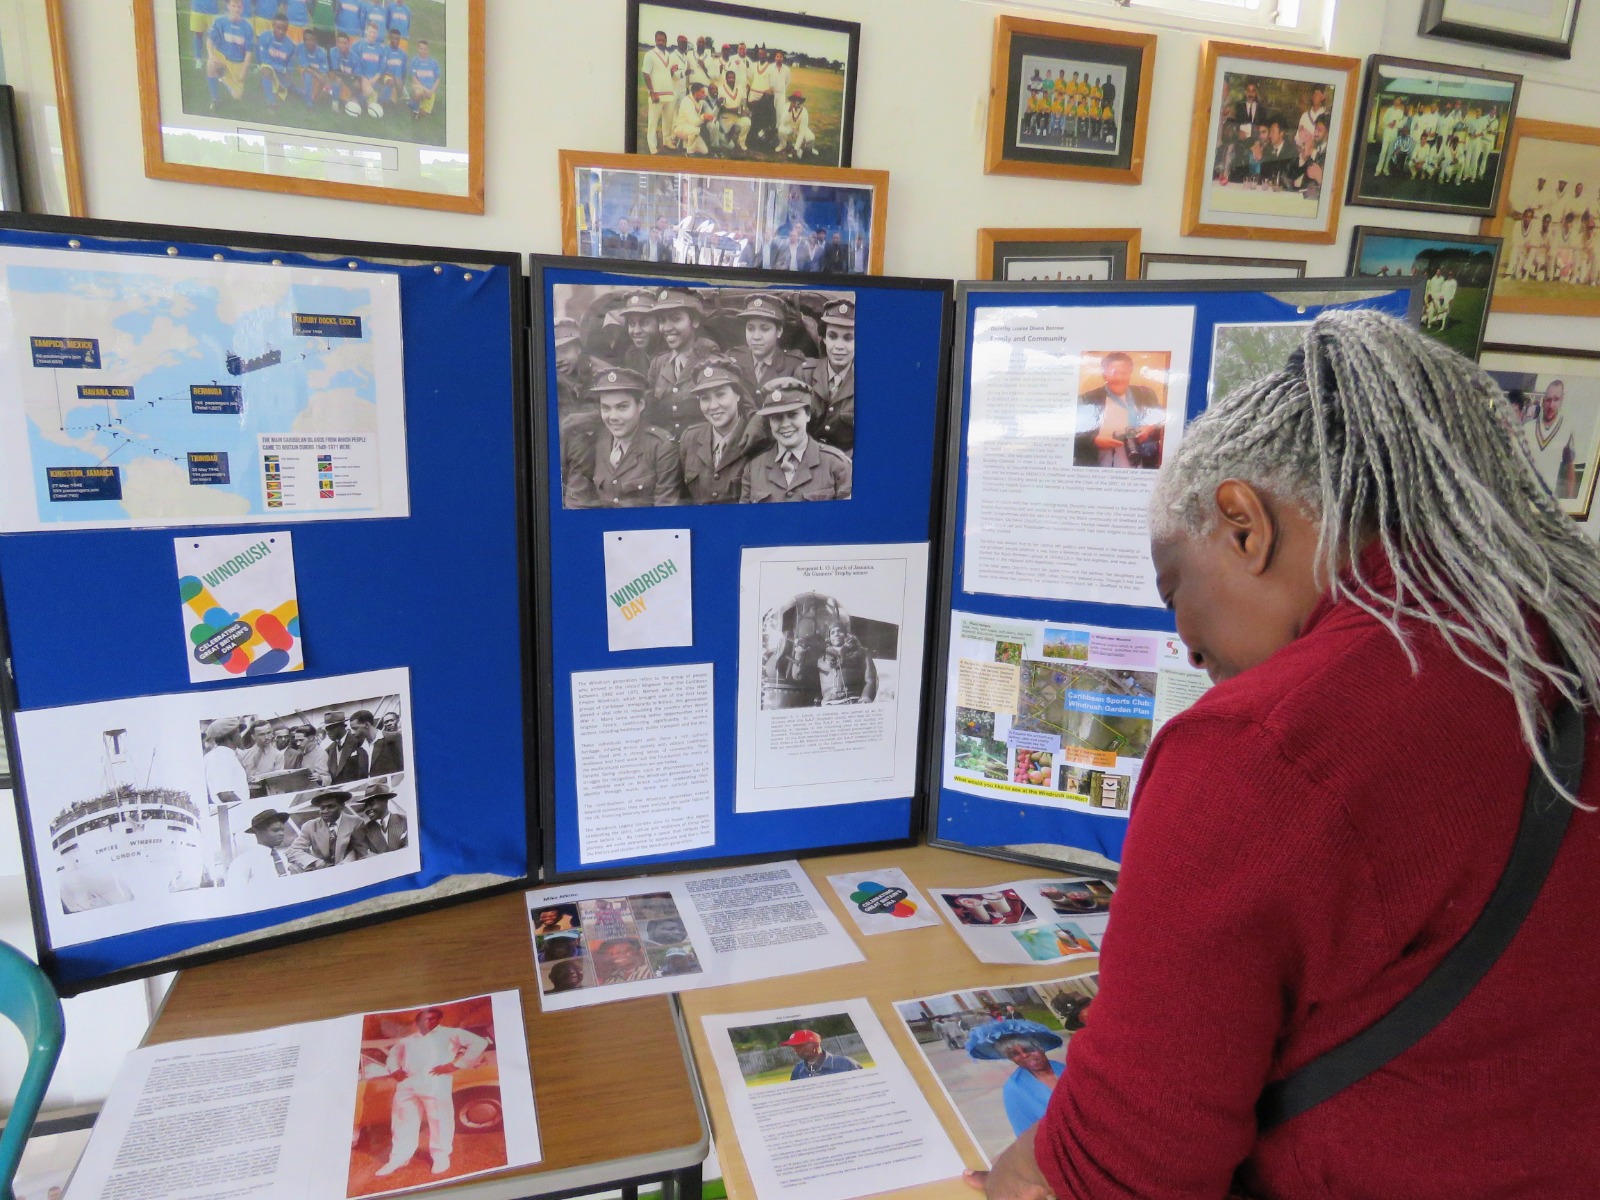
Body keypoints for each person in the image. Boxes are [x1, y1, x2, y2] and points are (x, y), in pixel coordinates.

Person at [968, 309, 1600, 1199]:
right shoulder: (1564, 640)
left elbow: (1124, 1173)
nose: (1189, 652)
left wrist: (1025, 1172)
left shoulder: (1261, 749)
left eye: (1173, 589)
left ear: (1243, 524)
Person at [373, 1007, 490, 1178]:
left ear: (439, 1020)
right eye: (426, 1019)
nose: (430, 1022)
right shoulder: (408, 1040)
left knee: (439, 1119)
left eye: (434, 1018)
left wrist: (455, 1065)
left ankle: (441, 1156)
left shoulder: (450, 1033)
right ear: (418, 1021)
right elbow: (393, 1056)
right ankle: (399, 1158)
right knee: (403, 1120)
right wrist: (394, 1070)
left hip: (435, 1082)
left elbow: (479, 1043)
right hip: (408, 1083)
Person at [578, 366, 684, 507]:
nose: (613, 417)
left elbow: (665, 510)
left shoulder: (661, 446)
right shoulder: (599, 440)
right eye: (605, 408)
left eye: (622, 407)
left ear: (640, 405)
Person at [740, 378, 852, 502]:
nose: (785, 425)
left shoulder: (836, 464)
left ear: (808, 414)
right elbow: (746, 518)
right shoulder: (754, 468)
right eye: (776, 417)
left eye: (792, 414)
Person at [680, 358, 764, 505]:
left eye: (720, 394)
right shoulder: (690, 439)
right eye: (705, 398)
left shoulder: (757, 437)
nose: (713, 406)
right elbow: (684, 498)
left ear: (738, 395)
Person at [971, 1021, 1069, 1137]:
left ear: (1040, 1047)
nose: (1024, 1055)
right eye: (1014, 1054)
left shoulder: (1066, 1068)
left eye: (1028, 1049)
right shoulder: (1014, 1089)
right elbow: (1025, 1134)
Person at [1074, 352, 1164, 468]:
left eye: (1124, 373)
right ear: (1104, 374)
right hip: (1100, 470)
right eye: (1114, 372)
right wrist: (1094, 441)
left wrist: (1149, 428)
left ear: (1130, 373)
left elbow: (1160, 418)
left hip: (1141, 469)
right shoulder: (1087, 399)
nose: (1119, 378)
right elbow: (1074, 435)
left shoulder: (1146, 394)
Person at [731, 294, 808, 392]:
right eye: (750, 329)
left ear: (779, 331)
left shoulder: (794, 366)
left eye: (764, 329)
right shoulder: (734, 360)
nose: (756, 337)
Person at [1523, 378, 1580, 499]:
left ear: (1561, 400)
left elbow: (1570, 467)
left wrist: (1570, 502)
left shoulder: (1567, 429)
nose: (1551, 405)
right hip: (1526, 495)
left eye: (1556, 399)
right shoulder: (1528, 428)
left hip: (1549, 498)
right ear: (1543, 401)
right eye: (1548, 400)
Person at [285, 789, 358, 871]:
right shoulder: (310, 826)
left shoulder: (356, 822)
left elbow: (359, 848)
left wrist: (345, 864)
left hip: (349, 867)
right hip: (322, 869)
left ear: (342, 806)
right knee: (294, 867)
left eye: (331, 806)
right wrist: (316, 862)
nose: (325, 811)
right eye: (322, 808)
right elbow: (293, 850)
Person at [205, 0, 257, 110]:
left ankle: (222, 77)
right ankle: (215, 99)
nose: (236, 9)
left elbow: (249, 52)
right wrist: (211, 55)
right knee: (211, 64)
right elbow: (210, 39)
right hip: (222, 57)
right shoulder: (220, 21)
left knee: (237, 96)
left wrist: (244, 70)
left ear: (242, 8)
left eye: (239, 6)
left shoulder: (247, 27)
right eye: (234, 6)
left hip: (237, 62)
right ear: (228, 6)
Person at [224, 808, 293, 885]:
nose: (281, 833)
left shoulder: (282, 857)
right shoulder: (243, 862)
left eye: (282, 830)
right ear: (258, 831)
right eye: (275, 830)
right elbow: (237, 893)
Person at [816, 622, 878, 703]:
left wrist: (866, 698)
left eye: (839, 631)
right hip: (828, 703)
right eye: (832, 632)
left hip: (854, 700)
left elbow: (871, 679)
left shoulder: (861, 652)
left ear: (846, 634)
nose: (836, 634)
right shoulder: (821, 658)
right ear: (829, 638)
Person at [642, 30, 679, 154]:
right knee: (653, 121)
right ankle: (652, 146)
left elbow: (666, 73)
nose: (661, 42)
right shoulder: (650, 54)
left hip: (668, 93)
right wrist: (652, 92)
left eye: (663, 40)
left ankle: (666, 140)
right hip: (656, 94)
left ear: (666, 41)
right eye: (658, 40)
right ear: (655, 40)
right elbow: (645, 74)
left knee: (668, 120)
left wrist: (672, 71)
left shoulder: (668, 55)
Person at [203, 717, 251, 810]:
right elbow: (225, 795)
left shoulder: (225, 755)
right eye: (238, 732)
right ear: (230, 736)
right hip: (233, 810)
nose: (240, 736)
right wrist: (245, 809)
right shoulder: (220, 757)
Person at [349, 786, 408, 856]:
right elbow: (365, 860)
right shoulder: (360, 834)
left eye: (371, 803)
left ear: (385, 801)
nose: (366, 809)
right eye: (365, 805)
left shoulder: (405, 821)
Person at [781, 1029, 862, 1078]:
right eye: (793, 1047)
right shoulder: (798, 1070)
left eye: (800, 1045)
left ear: (816, 1044)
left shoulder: (846, 1064)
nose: (795, 1050)